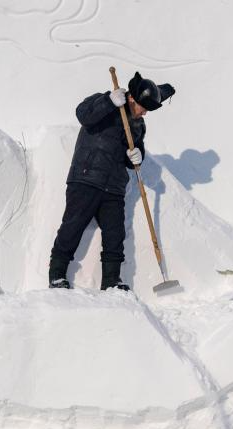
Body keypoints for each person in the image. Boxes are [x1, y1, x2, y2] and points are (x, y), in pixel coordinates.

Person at [48, 72, 176, 290]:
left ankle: (111, 282)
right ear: (132, 99)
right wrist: (108, 101)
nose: (145, 113)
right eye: (143, 108)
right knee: (72, 227)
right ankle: (57, 275)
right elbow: (83, 114)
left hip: (114, 186)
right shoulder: (107, 103)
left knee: (115, 235)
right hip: (86, 178)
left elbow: (134, 155)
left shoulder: (138, 125)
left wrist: (136, 156)